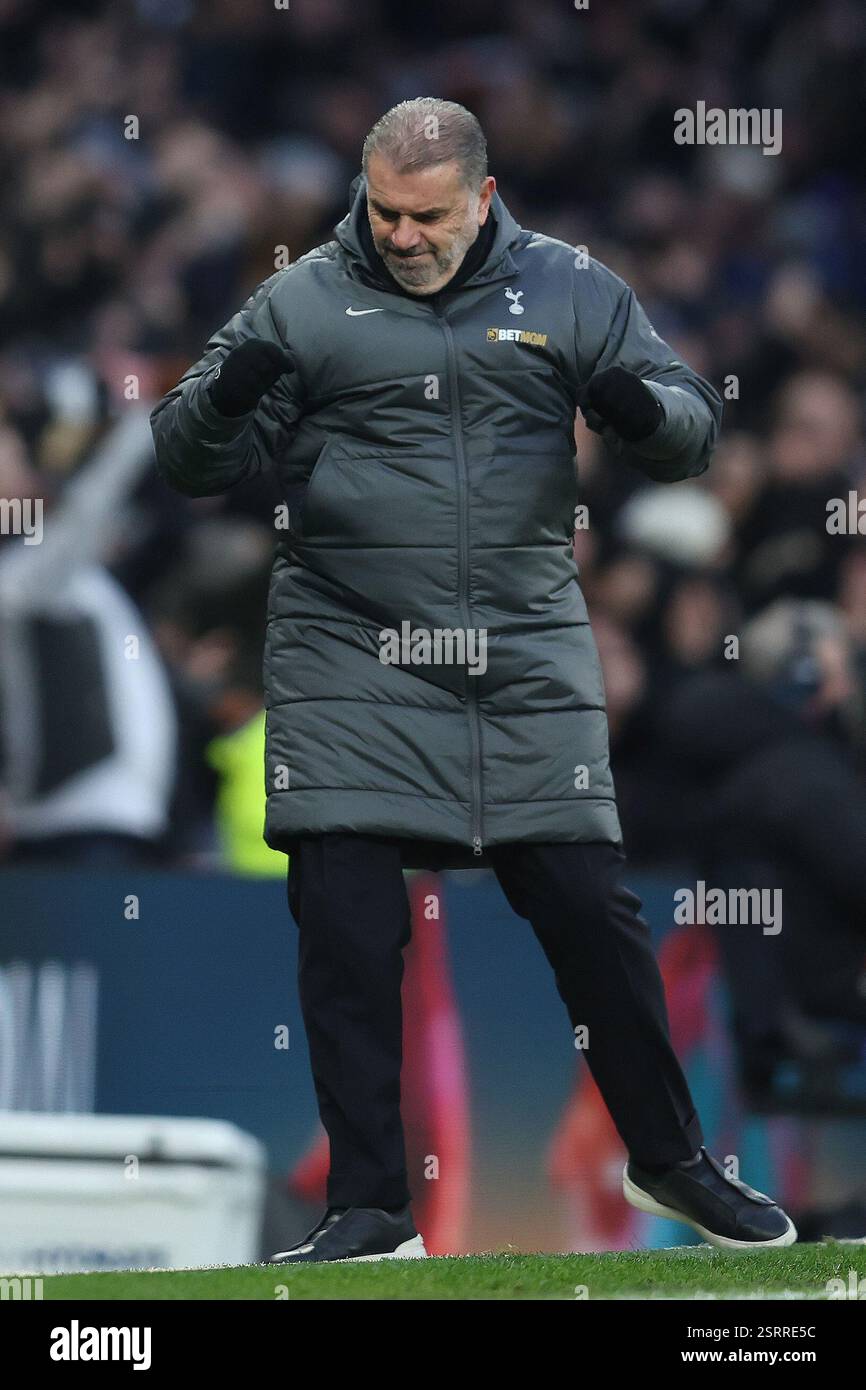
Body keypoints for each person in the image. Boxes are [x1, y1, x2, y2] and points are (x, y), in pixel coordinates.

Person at [152, 98, 795, 1261]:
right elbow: (192, 459)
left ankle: (667, 1162)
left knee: (593, 920)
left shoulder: (569, 287)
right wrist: (227, 390)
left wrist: (641, 410)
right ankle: (369, 1207)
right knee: (346, 935)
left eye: (427, 216)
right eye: (384, 211)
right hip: (350, 656)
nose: (400, 234)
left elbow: (694, 431)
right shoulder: (300, 297)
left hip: (519, 657)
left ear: (484, 198)